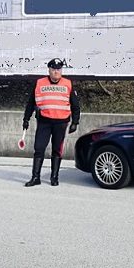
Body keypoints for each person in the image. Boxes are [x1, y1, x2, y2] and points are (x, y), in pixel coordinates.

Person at [23, 58, 80, 187]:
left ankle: (54, 177)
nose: (56, 72)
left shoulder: (68, 84)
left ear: (61, 71)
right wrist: (26, 119)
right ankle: (35, 177)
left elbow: (75, 105)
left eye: (58, 69)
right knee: (39, 148)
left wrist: (75, 122)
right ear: (49, 70)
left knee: (56, 150)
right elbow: (31, 103)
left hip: (61, 123)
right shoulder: (40, 83)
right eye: (53, 69)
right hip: (44, 122)